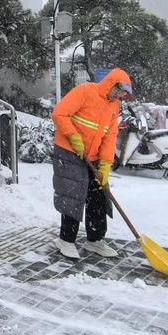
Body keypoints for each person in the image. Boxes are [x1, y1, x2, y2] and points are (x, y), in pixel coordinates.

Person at [51, 68, 134, 260]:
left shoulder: (114, 106)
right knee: (73, 194)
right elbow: (60, 114)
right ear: (112, 84)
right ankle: (66, 240)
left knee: (98, 196)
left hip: (93, 156)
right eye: (120, 92)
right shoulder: (85, 91)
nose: (121, 96)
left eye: (124, 95)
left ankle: (95, 240)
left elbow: (110, 136)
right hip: (69, 151)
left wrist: (105, 164)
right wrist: (73, 136)